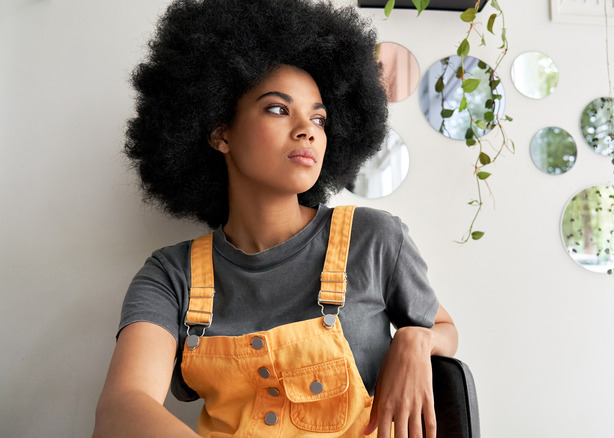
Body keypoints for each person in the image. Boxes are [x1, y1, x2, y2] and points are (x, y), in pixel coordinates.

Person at [92, 1, 457, 437]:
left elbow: (443, 328)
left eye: (318, 118)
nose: (307, 129)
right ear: (220, 133)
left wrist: (415, 340)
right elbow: (120, 408)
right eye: (279, 109)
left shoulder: (374, 239)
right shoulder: (172, 276)